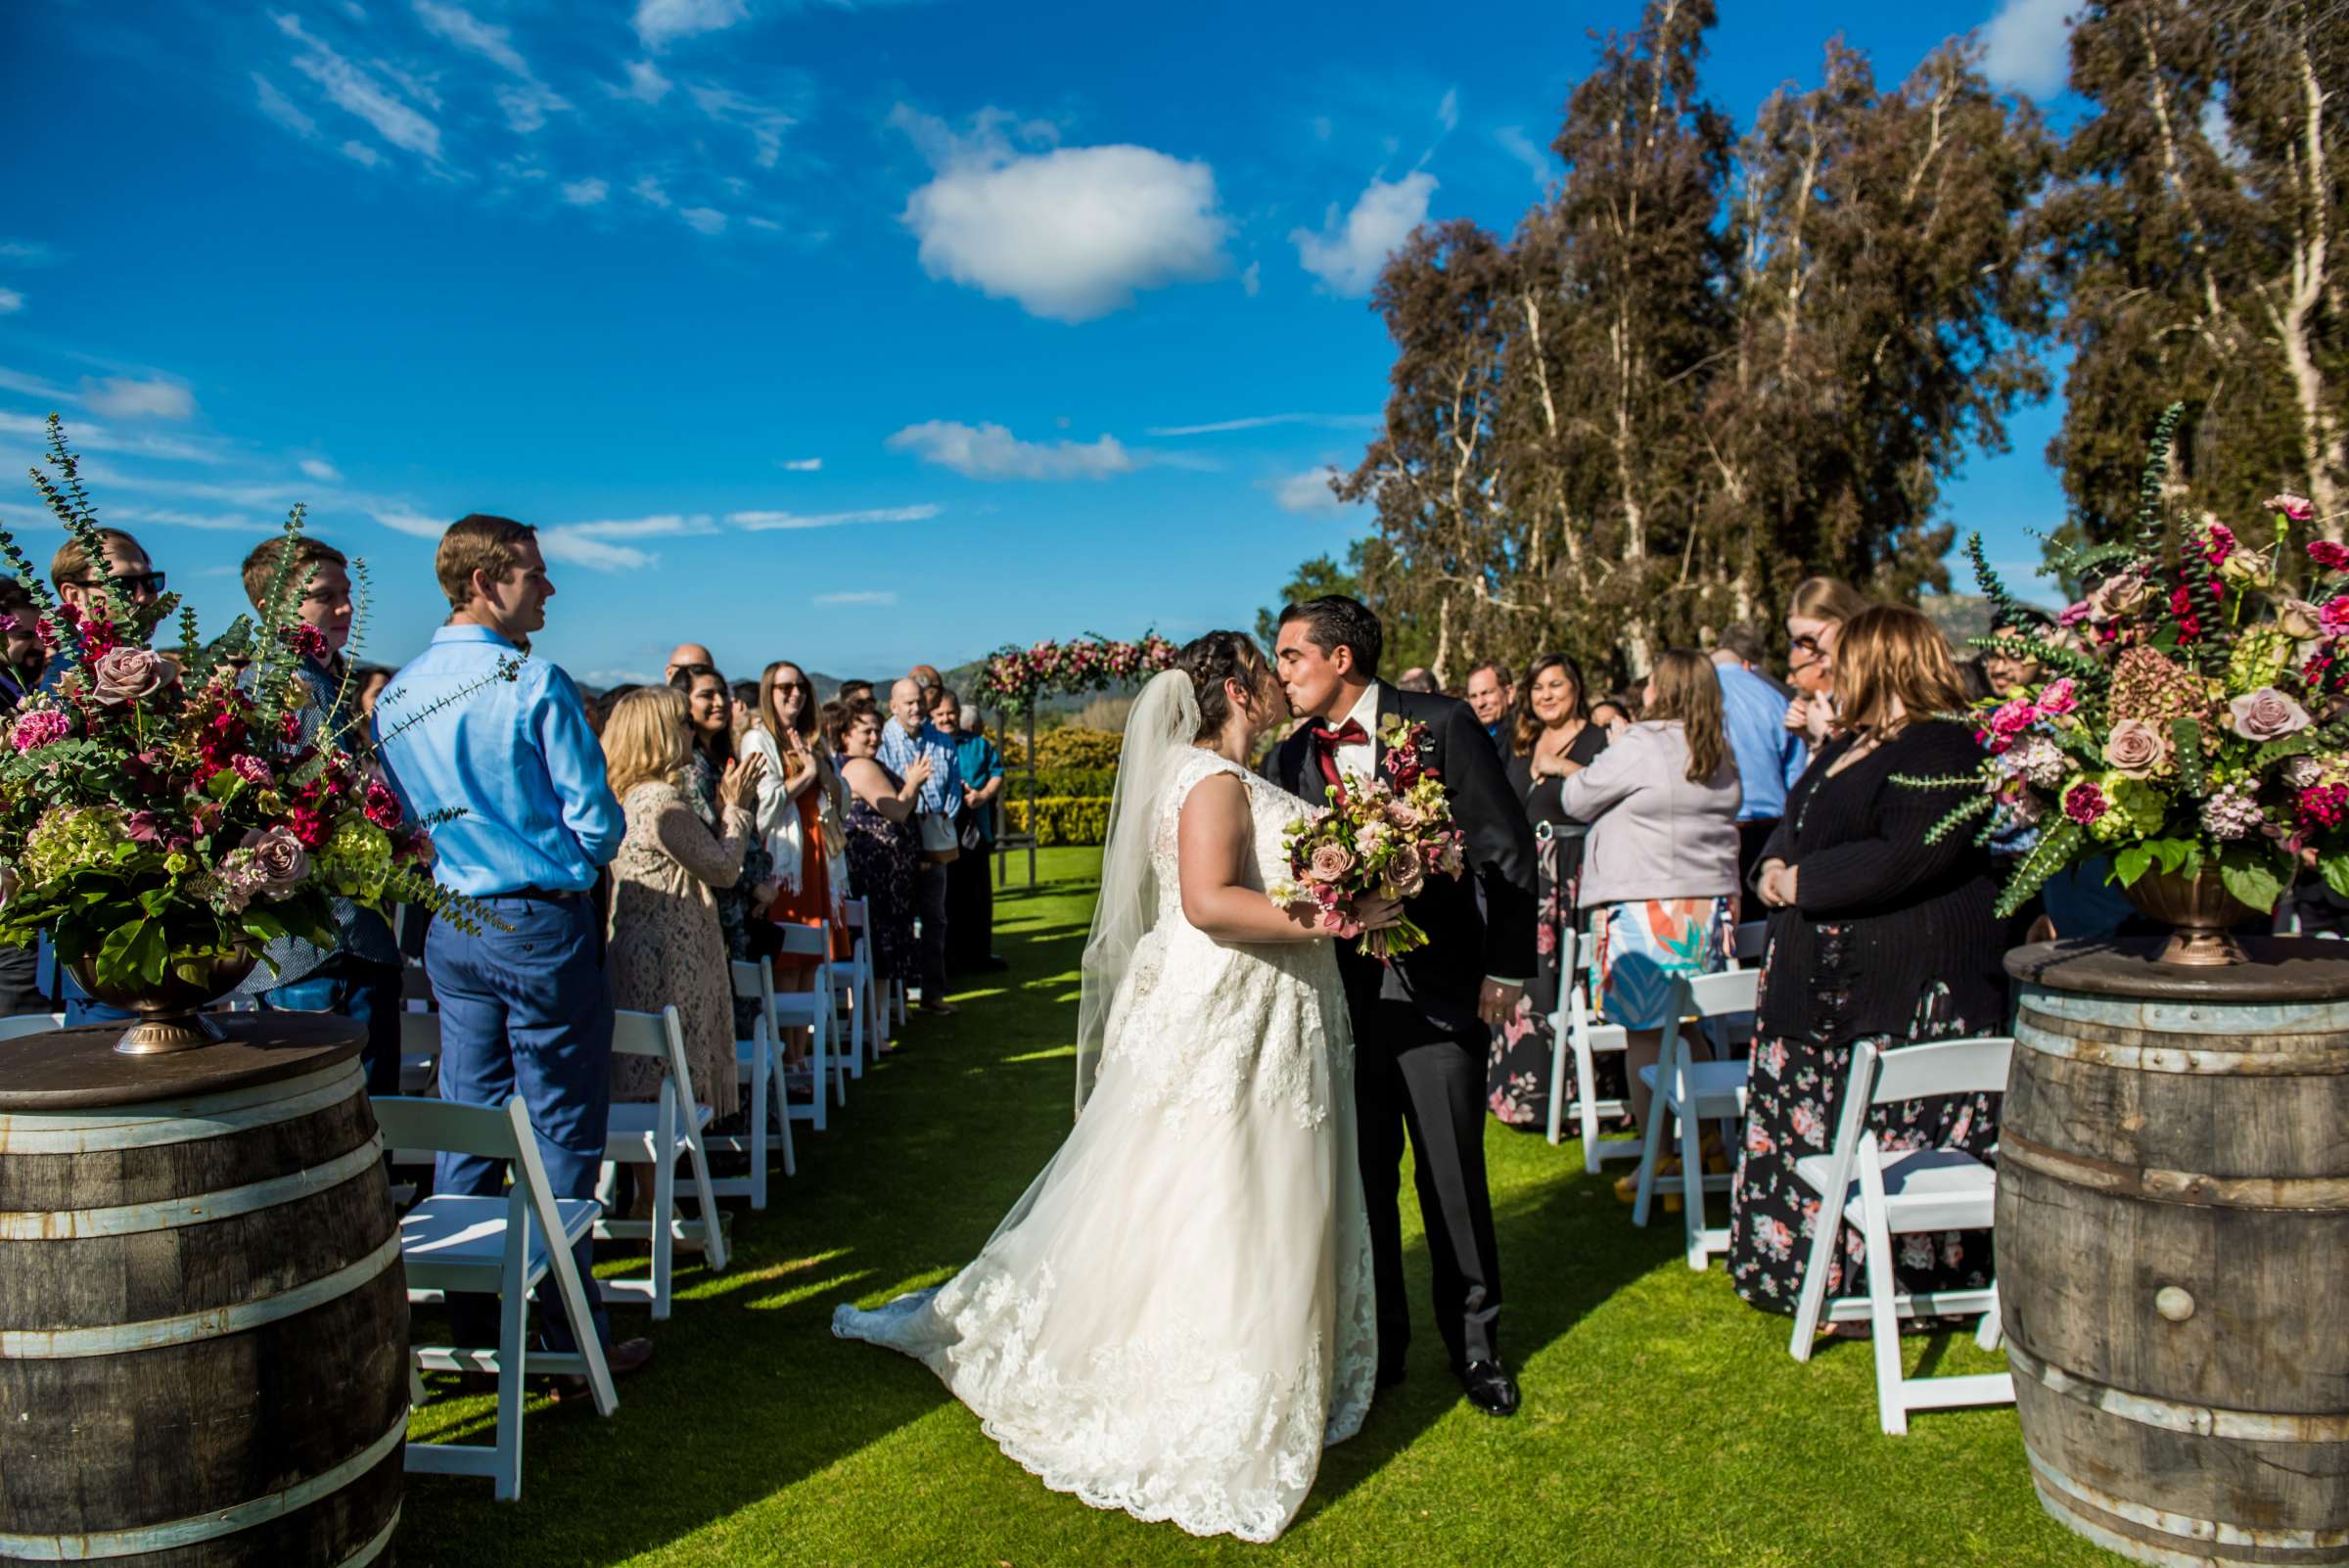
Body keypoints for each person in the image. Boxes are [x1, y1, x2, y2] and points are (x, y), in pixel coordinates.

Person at [836, 633, 1392, 1543]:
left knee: (1197, 1185)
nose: (1278, 681)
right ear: (1237, 693)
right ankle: (1206, 1378)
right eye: (1267, 669)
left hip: (1243, 1006)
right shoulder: (1209, 780)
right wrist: (1334, 914)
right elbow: (1210, 903)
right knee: (1227, 1188)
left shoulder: (1195, 771)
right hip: (1231, 1004)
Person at [373, 514, 648, 1383]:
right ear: (487, 580)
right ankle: (569, 1338)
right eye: (535, 572)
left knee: (469, 1112)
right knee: (563, 1128)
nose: (550, 587)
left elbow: (403, 823)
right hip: (537, 920)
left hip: (450, 924)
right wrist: (573, 854)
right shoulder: (533, 684)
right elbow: (600, 823)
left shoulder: (400, 694)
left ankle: (470, 1321)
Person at [1268, 595, 1537, 1418]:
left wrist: (1508, 970)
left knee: (1451, 1175)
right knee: (1366, 1181)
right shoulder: (1286, 761)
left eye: (1290, 657)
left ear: (1340, 658)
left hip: (1445, 995)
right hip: (1341, 1005)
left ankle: (1479, 1348)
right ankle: (1383, 1344)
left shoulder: (1441, 724)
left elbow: (1506, 846)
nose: (1280, 674)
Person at [1731, 605, 2004, 1325]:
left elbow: (1911, 853)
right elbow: (1792, 824)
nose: (1828, 672)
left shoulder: (1943, 748)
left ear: (1882, 663)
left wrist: (1805, 884)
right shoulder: (1846, 745)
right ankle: (1810, 1279)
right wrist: (1771, 871)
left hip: (1899, 992)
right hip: (1814, 990)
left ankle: (1902, 1293)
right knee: (1810, 1132)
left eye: (1840, 658)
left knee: (1889, 1142)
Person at [1560, 649, 1743, 1194]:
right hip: (1703, 909)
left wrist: (1613, 751)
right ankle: (1706, 1137)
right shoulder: (1718, 747)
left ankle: (1658, 1152)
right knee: (1690, 1026)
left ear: (1661, 689)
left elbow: (1575, 797)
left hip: (1645, 908)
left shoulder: (1642, 744)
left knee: (1643, 1037)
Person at [237, 535, 407, 1096]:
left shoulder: (306, 679)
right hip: (325, 947)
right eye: (323, 596)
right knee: (345, 1119)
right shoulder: (294, 688)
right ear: (272, 607)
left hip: (312, 946)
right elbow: (329, 806)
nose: (344, 609)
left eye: (347, 594)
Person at [602, 686, 762, 1126]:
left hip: (637, 944)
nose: (692, 732)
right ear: (660, 734)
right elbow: (724, 868)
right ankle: (658, 1192)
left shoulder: (628, 795)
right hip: (669, 955)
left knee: (644, 1077)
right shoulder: (661, 802)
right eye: (683, 723)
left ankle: (653, 1191)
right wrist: (737, 808)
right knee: (664, 1076)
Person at [1485, 653, 1609, 1130]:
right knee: (1529, 983)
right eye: (1538, 688)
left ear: (1576, 687)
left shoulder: (1601, 740)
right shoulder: (1522, 742)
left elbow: (1612, 791)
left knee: (1575, 984)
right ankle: (1526, 1095)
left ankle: (1589, 1096)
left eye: (1556, 684)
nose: (1547, 695)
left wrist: (1562, 767)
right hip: (1530, 880)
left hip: (1578, 875)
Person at [670, 661, 780, 1040]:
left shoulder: (722, 757)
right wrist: (754, 885)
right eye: (706, 695)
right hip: (721, 905)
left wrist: (762, 880)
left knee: (750, 1010)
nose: (719, 702)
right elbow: (709, 835)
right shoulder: (691, 768)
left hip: (746, 902)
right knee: (730, 1014)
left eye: (723, 694)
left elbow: (749, 826)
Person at [834, 702, 928, 1010]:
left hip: (884, 876)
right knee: (876, 950)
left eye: (878, 730)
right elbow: (897, 810)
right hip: (875, 878)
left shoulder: (859, 763)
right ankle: (872, 1025)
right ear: (845, 735)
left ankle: (874, 1022)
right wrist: (913, 782)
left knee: (879, 949)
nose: (875, 737)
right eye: (866, 731)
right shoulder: (860, 766)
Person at [879, 676, 963, 1016]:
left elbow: (954, 791)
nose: (916, 708)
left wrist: (939, 830)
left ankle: (932, 993)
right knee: (896, 921)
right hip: (895, 843)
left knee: (936, 919)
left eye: (919, 702)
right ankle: (897, 998)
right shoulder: (881, 740)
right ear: (893, 705)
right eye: (908, 703)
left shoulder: (942, 743)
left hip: (934, 840)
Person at [1712, 633, 1809, 885]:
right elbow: (1795, 769)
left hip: (1722, 823)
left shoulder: (1702, 699)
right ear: (1745, 664)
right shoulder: (1775, 696)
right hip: (1774, 824)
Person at [937, 691, 1006, 973]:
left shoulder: (978, 745)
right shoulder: (929, 744)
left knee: (977, 896)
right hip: (941, 831)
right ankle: (949, 959)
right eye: (940, 714)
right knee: (947, 898)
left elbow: (997, 773)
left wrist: (983, 795)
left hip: (975, 829)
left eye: (950, 713)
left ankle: (980, 955)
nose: (946, 718)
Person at [1783, 576, 1869, 748]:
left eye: (1809, 638)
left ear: (1844, 621)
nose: (1806, 651)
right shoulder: (1846, 687)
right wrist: (1810, 735)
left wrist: (1826, 734)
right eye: (1797, 643)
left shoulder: (1877, 682)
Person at [1464, 660, 1514, 747]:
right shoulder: (1469, 738)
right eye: (1473, 696)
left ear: (1509, 693)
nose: (1480, 703)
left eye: (1487, 692)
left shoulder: (1523, 737)